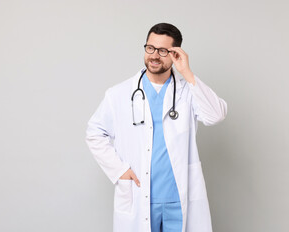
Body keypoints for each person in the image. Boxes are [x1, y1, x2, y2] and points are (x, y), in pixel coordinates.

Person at [86, 23, 227, 232]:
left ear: (175, 54)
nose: (154, 55)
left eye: (163, 51)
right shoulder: (119, 94)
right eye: (150, 48)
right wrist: (120, 170)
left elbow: (216, 115)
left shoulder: (187, 92)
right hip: (139, 196)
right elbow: (94, 133)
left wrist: (187, 72)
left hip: (178, 198)